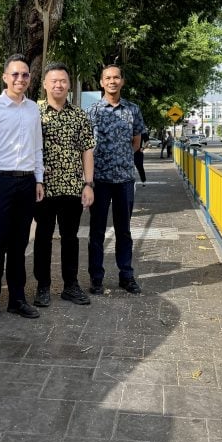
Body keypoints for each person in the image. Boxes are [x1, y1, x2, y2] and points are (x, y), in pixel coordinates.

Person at [0, 55, 45, 321]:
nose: (20, 79)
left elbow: (37, 148)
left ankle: (17, 299)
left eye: (25, 75)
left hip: (26, 182)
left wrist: (38, 179)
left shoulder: (33, 109)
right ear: (5, 77)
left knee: (19, 243)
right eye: (15, 74)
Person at [32, 62, 96, 308]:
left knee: (70, 238)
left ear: (68, 85)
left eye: (63, 81)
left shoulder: (79, 115)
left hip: (72, 187)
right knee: (43, 238)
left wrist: (88, 184)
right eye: (54, 81)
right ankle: (43, 286)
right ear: (45, 84)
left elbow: (87, 151)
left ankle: (71, 285)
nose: (58, 85)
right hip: (43, 188)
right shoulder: (33, 112)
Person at [87, 64, 146, 295]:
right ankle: (96, 278)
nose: (112, 81)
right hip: (99, 181)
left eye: (116, 77)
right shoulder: (92, 111)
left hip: (124, 181)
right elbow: (86, 147)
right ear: (101, 82)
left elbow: (136, 142)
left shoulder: (132, 110)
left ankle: (126, 275)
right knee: (97, 232)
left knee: (124, 231)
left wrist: (121, 160)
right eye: (108, 78)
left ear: (122, 81)